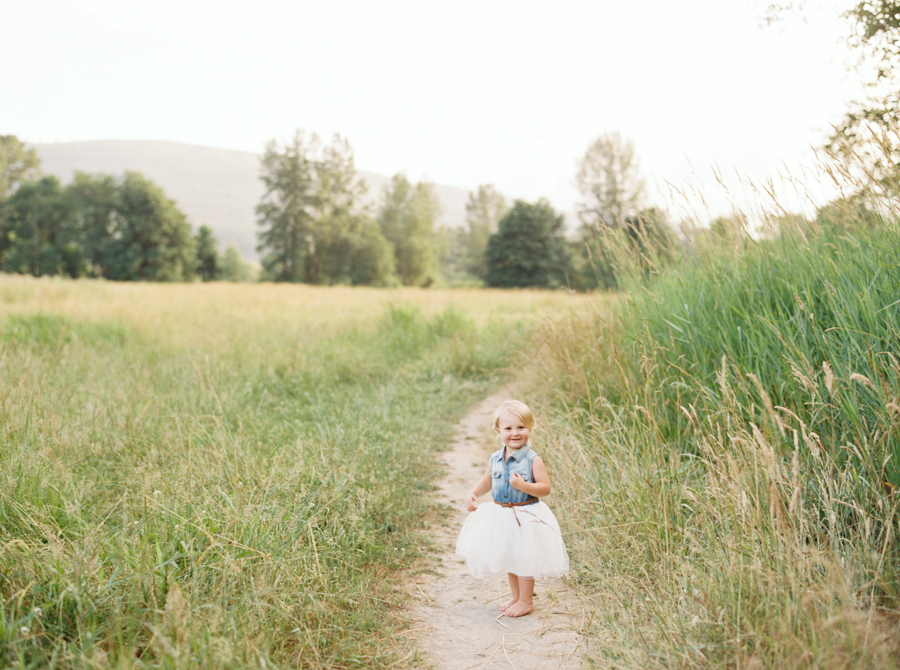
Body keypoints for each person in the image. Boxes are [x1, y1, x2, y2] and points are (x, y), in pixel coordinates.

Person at [455, 400, 569, 617]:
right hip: (502, 514)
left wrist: (524, 486)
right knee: (510, 556)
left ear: (530, 428)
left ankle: (526, 601)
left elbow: (545, 488)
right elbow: (487, 482)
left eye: (521, 427)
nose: (515, 433)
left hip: (526, 514)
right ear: (498, 431)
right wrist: (473, 493)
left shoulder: (533, 460)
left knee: (525, 557)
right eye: (508, 428)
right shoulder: (496, 458)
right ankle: (516, 597)